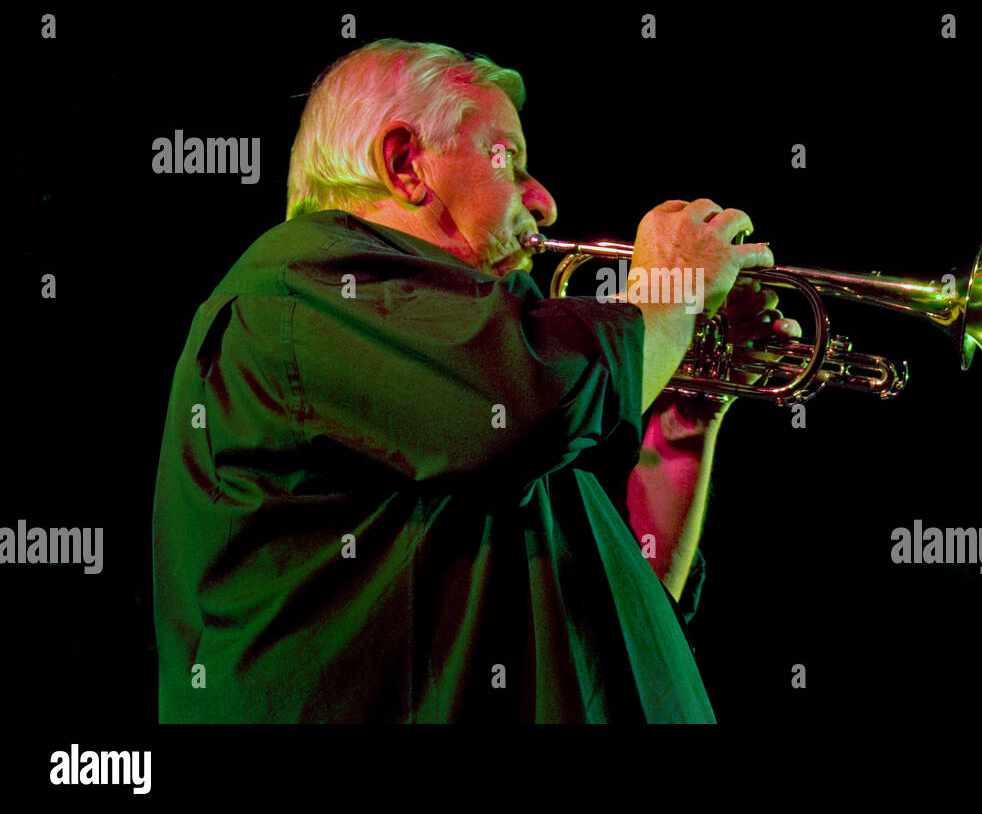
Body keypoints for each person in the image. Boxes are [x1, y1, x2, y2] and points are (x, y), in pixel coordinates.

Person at [152, 39, 800, 723]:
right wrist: (673, 287)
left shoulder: (478, 373)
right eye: (507, 162)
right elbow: (538, 404)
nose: (544, 202)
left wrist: (682, 423)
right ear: (405, 166)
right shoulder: (301, 289)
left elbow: (614, 608)